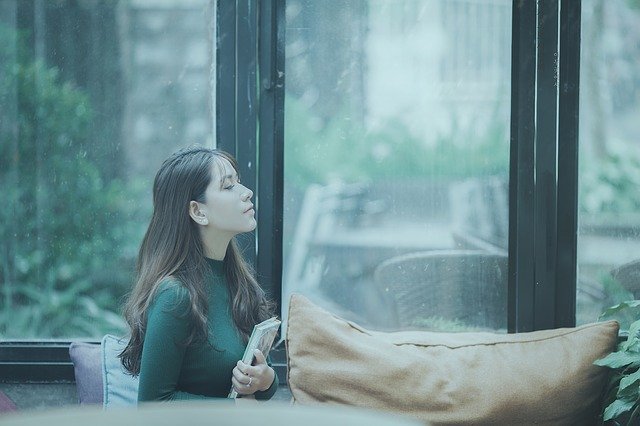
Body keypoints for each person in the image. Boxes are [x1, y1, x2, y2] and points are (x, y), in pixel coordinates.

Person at [119, 145, 278, 401]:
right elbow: (152, 405)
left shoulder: (238, 282)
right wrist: (234, 413)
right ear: (198, 211)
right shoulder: (174, 295)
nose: (247, 193)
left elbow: (263, 378)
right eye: (228, 186)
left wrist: (266, 378)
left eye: (239, 183)